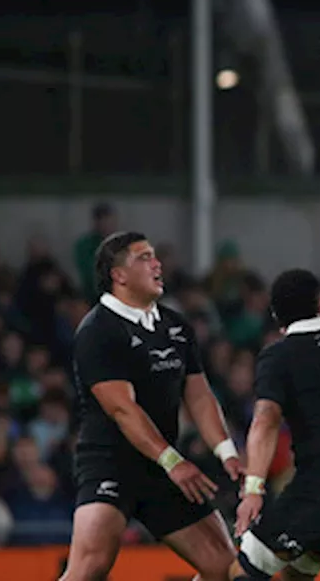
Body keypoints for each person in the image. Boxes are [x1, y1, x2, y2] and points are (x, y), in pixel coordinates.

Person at [62, 232, 240, 580]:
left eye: (155, 256)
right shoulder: (97, 330)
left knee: (225, 570)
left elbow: (200, 396)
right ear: (119, 275)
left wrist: (227, 451)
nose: (157, 263)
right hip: (111, 464)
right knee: (89, 568)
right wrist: (173, 461)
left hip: (162, 469)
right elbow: (122, 410)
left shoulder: (176, 326)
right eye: (144, 257)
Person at [232, 269, 320, 580]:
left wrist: (253, 489)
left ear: (275, 315)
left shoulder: (279, 356)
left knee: (239, 572)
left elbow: (266, 419)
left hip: (316, 494)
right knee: (296, 575)